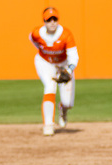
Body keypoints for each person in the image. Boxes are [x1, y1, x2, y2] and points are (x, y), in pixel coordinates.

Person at [29, 7, 79, 136]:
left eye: (55, 19)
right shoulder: (37, 33)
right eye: (49, 20)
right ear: (44, 21)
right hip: (45, 62)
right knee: (50, 87)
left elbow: (74, 56)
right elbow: (33, 41)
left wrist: (68, 70)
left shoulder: (65, 34)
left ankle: (63, 109)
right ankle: (48, 125)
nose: (52, 22)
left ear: (58, 20)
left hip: (64, 65)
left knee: (68, 102)